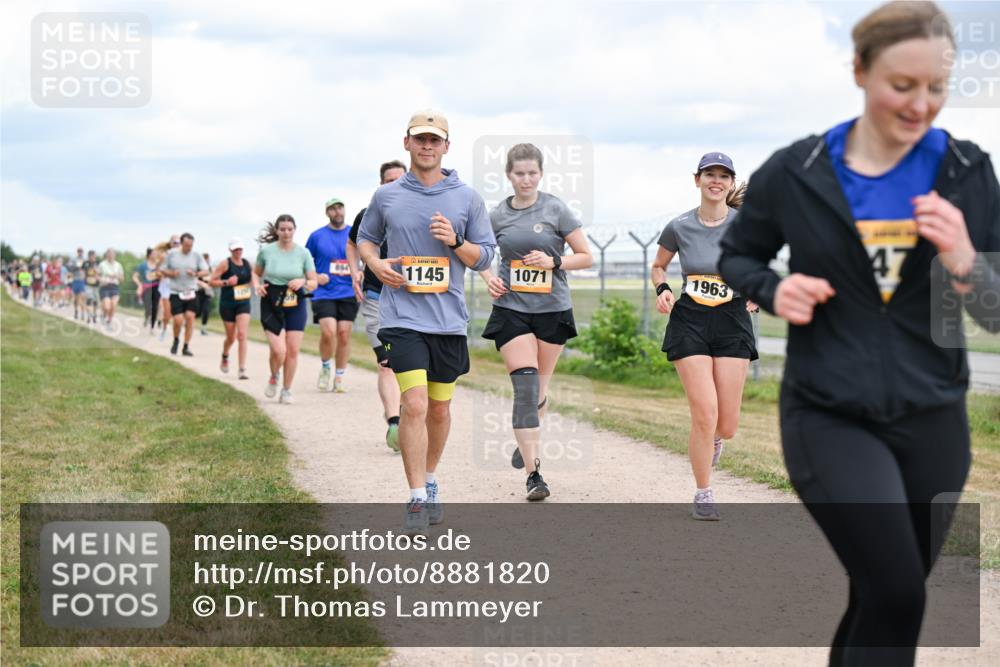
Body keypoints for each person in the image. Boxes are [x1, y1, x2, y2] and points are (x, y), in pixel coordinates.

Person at [718, 3, 999, 664]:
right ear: (860, 70)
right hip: (829, 412)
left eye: (936, 87)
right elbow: (738, 255)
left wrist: (963, 259)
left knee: (881, 597)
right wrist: (772, 287)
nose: (920, 104)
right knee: (899, 592)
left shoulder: (967, 170)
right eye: (903, 85)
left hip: (934, 418)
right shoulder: (800, 169)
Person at [357, 110, 497, 533]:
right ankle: (416, 496)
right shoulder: (388, 196)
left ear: (447, 147)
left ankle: (431, 478)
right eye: (420, 139)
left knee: (439, 409)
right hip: (401, 317)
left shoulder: (467, 198)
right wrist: (376, 265)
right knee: (414, 404)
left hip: (448, 320)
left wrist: (455, 241)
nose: (427, 146)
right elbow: (365, 239)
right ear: (407, 143)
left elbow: (487, 256)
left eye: (435, 140)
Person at [478, 143, 593, 501]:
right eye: (519, 173)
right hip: (512, 309)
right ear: (508, 176)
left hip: (553, 309)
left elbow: (585, 257)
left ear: (540, 174)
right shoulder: (496, 214)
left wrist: (554, 262)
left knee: (540, 391)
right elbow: (479, 252)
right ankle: (534, 474)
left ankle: (526, 438)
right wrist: (488, 278)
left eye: (532, 173)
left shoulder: (556, 208)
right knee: (526, 391)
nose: (525, 179)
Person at [651, 152, 757, 521]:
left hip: (732, 319)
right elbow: (659, 264)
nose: (716, 181)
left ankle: (713, 441)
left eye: (723, 176)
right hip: (690, 319)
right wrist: (662, 288)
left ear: (730, 183)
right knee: (704, 412)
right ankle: (704, 492)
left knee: (725, 425)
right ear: (697, 180)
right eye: (709, 174)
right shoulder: (679, 226)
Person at [348, 159, 407, 450]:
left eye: (400, 179)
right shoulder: (367, 215)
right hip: (376, 298)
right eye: (389, 180)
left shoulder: (421, 212)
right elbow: (352, 243)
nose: (394, 184)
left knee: (410, 366)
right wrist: (355, 269)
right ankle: (395, 423)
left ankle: (406, 413)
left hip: (412, 301)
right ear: (381, 184)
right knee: (387, 364)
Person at [254, 215, 319, 403]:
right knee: (278, 350)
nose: (286, 233)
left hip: (295, 303)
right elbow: (255, 273)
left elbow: (314, 282)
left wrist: (303, 281)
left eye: (290, 229)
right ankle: (274, 375)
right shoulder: (266, 252)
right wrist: (257, 285)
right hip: (271, 302)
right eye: (282, 229)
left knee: (292, 351)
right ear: (277, 231)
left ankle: (286, 390)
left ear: (295, 230)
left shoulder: (303, 253)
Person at [306, 197, 359, 393]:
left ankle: (339, 376)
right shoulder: (317, 236)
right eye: (332, 209)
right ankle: (326, 367)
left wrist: (360, 271)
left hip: (348, 291)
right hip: (324, 292)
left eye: (340, 208)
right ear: (327, 213)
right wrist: (314, 276)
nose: (337, 212)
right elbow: (305, 260)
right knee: (328, 332)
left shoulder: (354, 234)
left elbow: (367, 256)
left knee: (344, 334)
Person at [209, 238, 256, 379]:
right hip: (228, 304)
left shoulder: (247, 264)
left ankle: (242, 369)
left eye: (240, 249)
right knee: (231, 337)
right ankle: (225, 355)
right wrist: (226, 282)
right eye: (235, 249)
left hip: (243, 302)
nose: (238, 252)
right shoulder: (225, 264)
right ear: (230, 251)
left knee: (242, 335)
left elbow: (252, 279)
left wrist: (255, 285)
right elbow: (211, 281)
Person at [162, 233, 209, 356]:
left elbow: (205, 271)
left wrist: (195, 273)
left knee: (190, 317)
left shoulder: (196, 255)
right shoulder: (172, 254)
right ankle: (176, 340)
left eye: (191, 246)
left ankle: (186, 346)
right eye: (187, 245)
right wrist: (172, 273)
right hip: (176, 291)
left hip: (191, 291)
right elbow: (162, 269)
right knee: (178, 320)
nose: (189, 248)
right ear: (182, 243)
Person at [158, 236, 180, 341]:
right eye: (174, 242)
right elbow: (158, 271)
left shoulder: (184, 256)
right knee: (167, 313)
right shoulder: (164, 256)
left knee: (175, 313)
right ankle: (164, 328)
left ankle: (176, 334)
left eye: (179, 242)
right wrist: (165, 274)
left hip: (178, 286)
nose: (177, 244)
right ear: (170, 244)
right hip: (166, 286)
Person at [97, 248, 124, 327]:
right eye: (109, 254)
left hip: (114, 286)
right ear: (106, 255)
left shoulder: (118, 265)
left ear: (115, 255)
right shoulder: (102, 264)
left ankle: (109, 321)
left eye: (112, 254)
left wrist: (117, 276)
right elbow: (97, 275)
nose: (111, 255)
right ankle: (104, 315)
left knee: (114, 304)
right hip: (105, 287)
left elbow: (122, 279)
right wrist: (101, 280)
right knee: (107, 307)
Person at [133, 247, 159, 328]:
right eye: (154, 254)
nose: (156, 255)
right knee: (148, 306)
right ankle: (147, 317)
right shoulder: (142, 265)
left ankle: (153, 323)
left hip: (156, 287)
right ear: (149, 255)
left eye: (156, 254)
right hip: (146, 287)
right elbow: (135, 276)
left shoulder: (159, 265)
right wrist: (139, 285)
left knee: (155, 306)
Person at [67, 248, 87, 320]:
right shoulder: (74, 260)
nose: (80, 253)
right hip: (75, 280)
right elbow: (70, 268)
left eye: (81, 252)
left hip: (82, 280)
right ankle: (76, 311)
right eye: (79, 252)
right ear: (77, 252)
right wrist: (77, 267)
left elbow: (87, 269)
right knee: (75, 299)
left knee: (82, 297)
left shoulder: (85, 260)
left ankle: (82, 313)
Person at [196, 252, 214, 335]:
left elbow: (214, 279)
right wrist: (201, 283)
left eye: (207, 260)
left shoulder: (211, 269)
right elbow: (194, 279)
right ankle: (188, 322)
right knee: (198, 311)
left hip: (208, 293)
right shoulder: (198, 269)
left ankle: (203, 328)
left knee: (206, 310)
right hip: (198, 292)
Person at [82, 250, 100, 323]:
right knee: (89, 300)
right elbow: (82, 271)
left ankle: (94, 314)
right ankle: (89, 315)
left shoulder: (98, 263)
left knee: (95, 301)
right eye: (91, 256)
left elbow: (100, 272)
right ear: (89, 257)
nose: (93, 258)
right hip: (88, 284)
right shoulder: (85, 263)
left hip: (96, 285)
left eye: (94, 256)